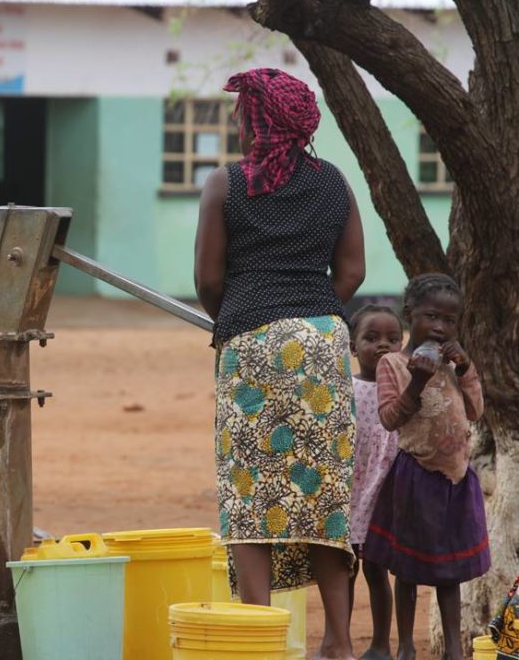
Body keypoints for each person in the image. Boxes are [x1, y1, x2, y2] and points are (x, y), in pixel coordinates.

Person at [194, 67, 365, 660]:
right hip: (323, 342)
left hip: (252, 346)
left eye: (243, 114)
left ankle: (259, 639)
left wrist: (245, 313)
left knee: (250, 492)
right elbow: (352, 273)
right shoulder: (335, 184)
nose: (239, 123)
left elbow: (209, 279)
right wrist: (312, 313)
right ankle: (339, 642)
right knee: (323, 495)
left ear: (258, 121)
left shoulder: (227, 185)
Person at [363, 273, 489, 660]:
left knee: (448, 572)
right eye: (430, 316)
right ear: (409, 315)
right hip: (416, 477)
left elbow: (475, 410)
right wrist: (417, 382)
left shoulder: (454, 365)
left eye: (449, 321)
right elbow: (389, 418)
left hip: (455, 479)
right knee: (407, 567)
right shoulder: (393, 364)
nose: (439, 326)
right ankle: (404, 648)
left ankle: (454, 650)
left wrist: (465, 367)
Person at [347, 305, 404, 660]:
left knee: (377, 569)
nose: (382, 345)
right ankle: (338, 640)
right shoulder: (344, 388)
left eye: (393, 338)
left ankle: (381, 643)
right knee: (345, 569)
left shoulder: (406, 390)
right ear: (352, 346)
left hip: (385, 491)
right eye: (371, 338)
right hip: (351, 492)